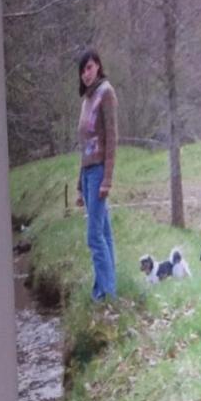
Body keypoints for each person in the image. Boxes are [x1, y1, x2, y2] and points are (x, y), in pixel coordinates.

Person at [75, 48, 118, 302]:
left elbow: (111, 138)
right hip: (88, 171)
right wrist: (79, 186)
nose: (86, 74)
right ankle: (106, 290)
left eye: (89, 68)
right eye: (83, 70)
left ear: (98, 67)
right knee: (104, 232)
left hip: (101, 169)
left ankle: (106, 294)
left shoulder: (106, 93)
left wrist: (107, 178)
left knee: (94, 236)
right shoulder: (86, 100)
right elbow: (84, 147)